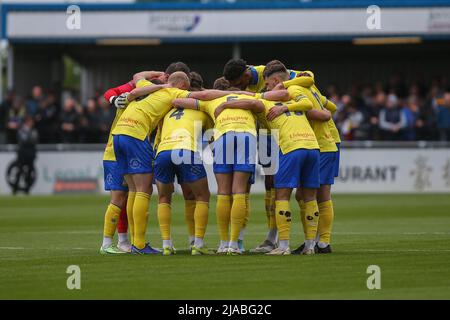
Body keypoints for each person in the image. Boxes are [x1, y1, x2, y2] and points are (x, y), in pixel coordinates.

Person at [111, 72, 235, 254]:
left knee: (157, 196)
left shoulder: (162, 101)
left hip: (155, 149)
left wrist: (159, 76)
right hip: (184, 150)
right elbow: (205, 103)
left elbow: (137, 76)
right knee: (201, 196)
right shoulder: (184, 98)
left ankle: (166, 245)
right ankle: (197, 244)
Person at [172, 80, 289, 255]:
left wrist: (214, 97)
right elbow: (260, 102)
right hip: (246, 136)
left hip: (222, 136)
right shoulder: (248, 98)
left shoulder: (212, 100)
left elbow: (177, 101)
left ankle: (223, 244)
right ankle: (235, 245)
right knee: (240, 191)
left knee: (223, 192)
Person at [10, 116, 38, 194]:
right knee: (19, 170)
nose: (31, 123)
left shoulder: (33, 131)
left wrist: (28, 141)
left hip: (30, 153)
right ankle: (15, 188)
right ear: (27, 122)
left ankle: (27, 188)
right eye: (30, 121)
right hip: (22, 153)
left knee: (29, 171)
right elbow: (23, 140)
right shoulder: (21, 130)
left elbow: (33, 140)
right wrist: (28, 141)